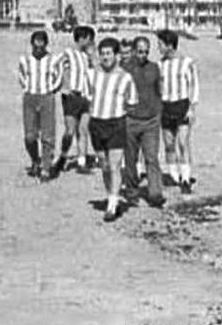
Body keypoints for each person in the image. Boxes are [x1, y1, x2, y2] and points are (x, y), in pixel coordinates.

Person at [88, 37, 139, 222]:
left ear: (116, 55)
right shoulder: (92, 74)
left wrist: (120, 114)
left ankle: (112, 205)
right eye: (102, 54)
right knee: (104, 164)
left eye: (109, 53)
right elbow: (88, 96)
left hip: (116, 123)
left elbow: (132, 103)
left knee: (115, 164)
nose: (105, 57)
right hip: (96, 123)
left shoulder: (125, 77)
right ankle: (111, 194)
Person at [122, 36, 164, 207]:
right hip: (130, 120)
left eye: (146, 52)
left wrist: (158, 112)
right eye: (140, 51)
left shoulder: (154, 68)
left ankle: (155, 193)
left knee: (152, 157)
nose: (143, 55)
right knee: (130, 159)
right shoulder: (125, 69)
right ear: (133, 51)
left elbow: (159, 91)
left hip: (151, 121)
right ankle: (132, 192)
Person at [157, 29, 200, 195]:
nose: (158, 48)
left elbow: (194, 85)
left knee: (183, 142)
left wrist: (192, 108)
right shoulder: (160, 65)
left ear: (169, 45)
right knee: (169, 144)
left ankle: (186, 178)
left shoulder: (187, 62)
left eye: (160, 44)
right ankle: (174, 176)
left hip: (182, 105)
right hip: (165, 106)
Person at [18, 30, 62, 181]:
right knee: (30, 136)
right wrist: (28, 89)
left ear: (45, 44)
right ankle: (35, 160)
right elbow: (22, 76)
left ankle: (46, 167)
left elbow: (58, 77)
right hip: (30, 98)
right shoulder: (25, 60)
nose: (38, 48)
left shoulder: (53, 60)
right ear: (32, 44)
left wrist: (50, 89)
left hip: (46, 98)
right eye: (35, 45)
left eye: (41, 45)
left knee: (47, 135)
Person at [54, 25, 95, 174]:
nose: (91, 43)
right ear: (82, 38)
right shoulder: (68, 53)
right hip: (71, 97)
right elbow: (54, 65)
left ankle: (81, 162)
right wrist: (61, 84)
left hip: (84, 96)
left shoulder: (86, 57)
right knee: (70, 131)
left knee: (83, 130)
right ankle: (63, 156)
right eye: (90, 39)